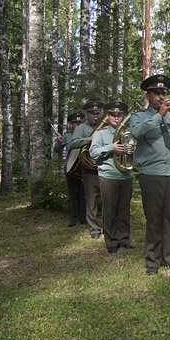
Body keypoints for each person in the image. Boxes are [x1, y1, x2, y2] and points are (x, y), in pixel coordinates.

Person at [129, 74, 170, 275]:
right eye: (157, 93)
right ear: (148, 95)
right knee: (153, 218)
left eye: (164, 93)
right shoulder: (139, 116)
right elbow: (137, 132)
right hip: (151, 173)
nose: (161, 96)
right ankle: (152, 260)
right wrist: (159, 115)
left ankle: (169, 257)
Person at [89, 101, 135, 254]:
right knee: (110, 210)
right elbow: (92, 153)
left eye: (119, 115)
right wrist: (111, 147)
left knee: (124, 210)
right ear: (108, 116)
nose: (116, 118)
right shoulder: (101, 133)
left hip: (126, 175)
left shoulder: (129, 132)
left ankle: (124, 238)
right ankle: (111, 241)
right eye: (113, 115)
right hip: (108, 176)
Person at [68, 101, 105, 239]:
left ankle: (107, 225)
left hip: (104, 165)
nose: (95, 116)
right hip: (89, 166)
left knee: (106, 197)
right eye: (92, 113)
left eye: (97, 113)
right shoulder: (82, 127)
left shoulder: (104, 126)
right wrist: (88, 139)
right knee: (91, 198)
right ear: (86, 114)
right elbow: (72, 143)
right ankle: (94, 228)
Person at [54, 111, 86, 227]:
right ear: (71, 124)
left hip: (83, 166)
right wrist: (58, 142)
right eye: (74, 123)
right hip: (70, 167)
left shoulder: (85, 134)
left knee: (83, 194)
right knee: (73, 195)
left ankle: (83, 217)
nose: (76, 124)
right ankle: (74, 218)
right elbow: (57, 150)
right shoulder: (67, 135)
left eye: (79, 122)